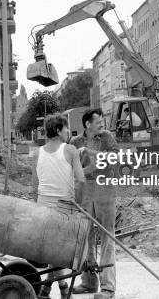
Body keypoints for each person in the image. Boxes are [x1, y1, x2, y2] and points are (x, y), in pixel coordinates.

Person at [31, 114, 86, 298]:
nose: (68, 131)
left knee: (51, 251)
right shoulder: (71, 150)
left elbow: (33, 185)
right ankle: (62, 287)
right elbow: (81, 181)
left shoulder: (38, 152)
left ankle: (48, 289)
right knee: (55, 252)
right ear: (58, 130)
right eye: (66, 128)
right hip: (64, 208)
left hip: (42, 208)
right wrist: (77, 203)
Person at [70, 108, 118, 299]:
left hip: (105, 189)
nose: (102, 125)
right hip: (84, 191)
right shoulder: (75, 142)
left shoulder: (107, 138)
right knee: (85, 236)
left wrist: (89, 152)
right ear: (87, 124)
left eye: (102, 122)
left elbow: (115, 158)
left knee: (107, 238)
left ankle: (108, 288)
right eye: (98, 122)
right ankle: (89, 283)